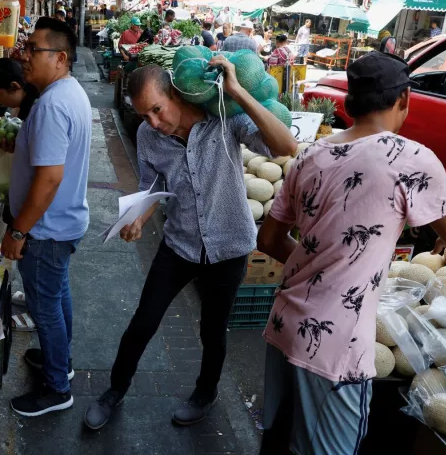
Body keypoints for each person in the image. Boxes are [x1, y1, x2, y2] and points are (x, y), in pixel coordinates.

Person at [256, 52, 446, 454]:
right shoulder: (413, 160)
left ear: (349, 102)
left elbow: (269, 240)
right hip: (337, 344)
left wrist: (322, 266)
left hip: (286, 321)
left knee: (279, 436)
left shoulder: (311, 154)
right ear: (404, 99)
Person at [83, 60, 297, 431]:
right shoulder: (148, 136)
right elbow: (151, 186)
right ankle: (115, 390)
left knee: (212, 330)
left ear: (175, 96)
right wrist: (137, 219)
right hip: (179, 244)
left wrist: (237, 91)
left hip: (229, 247)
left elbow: (285, 146)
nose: (152, 121)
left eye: (156, 109)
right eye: (144, 114)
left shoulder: (223, 118)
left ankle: (206, 392)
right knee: (143, 321)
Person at [5, 17, 92, 417]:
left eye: (33, 49)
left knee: (45, 308)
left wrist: (18, 231)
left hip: (47, 228)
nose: (25, 56)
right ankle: (61, 361)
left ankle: (57, 387)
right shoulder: (69, 92)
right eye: (26, 47)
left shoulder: (53, 105)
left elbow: (50, 178)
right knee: (57, 297)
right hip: (65, 222)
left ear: (60, 58)